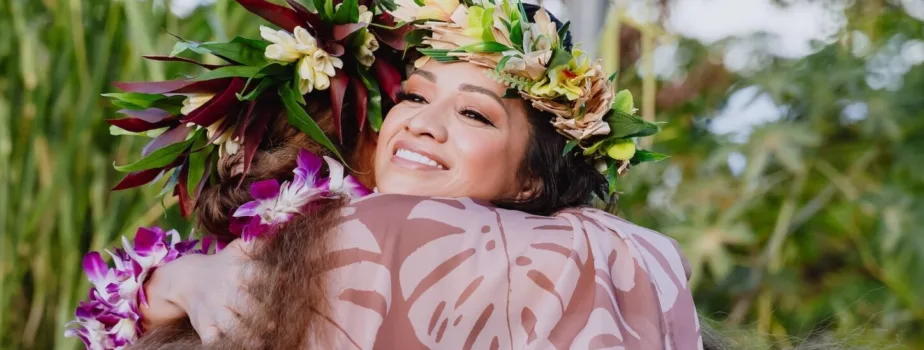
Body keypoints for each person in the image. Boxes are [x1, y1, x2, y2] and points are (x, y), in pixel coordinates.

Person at [66, 0, 703, 349]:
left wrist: (192, 277)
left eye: (476, 115)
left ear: (529, 181)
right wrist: (189, 275)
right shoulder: (322, 215)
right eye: (417, 97)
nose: (424, 123)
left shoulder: (563, 249)